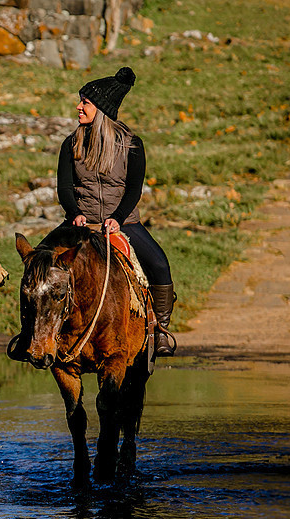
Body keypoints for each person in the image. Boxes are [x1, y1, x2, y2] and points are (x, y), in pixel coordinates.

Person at [57, 66, 176, 356]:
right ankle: (33, 332)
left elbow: (134, 189)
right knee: (40, 263)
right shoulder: (70, 144)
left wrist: (117, 219)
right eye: (80, 101)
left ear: (101, 109)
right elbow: (64, 187)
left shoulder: (132, 144)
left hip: (122, 223)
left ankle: (159, 330)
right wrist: (75, 214)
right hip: (81, 223)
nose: (78, 107)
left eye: (85, 102)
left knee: (160, 266)